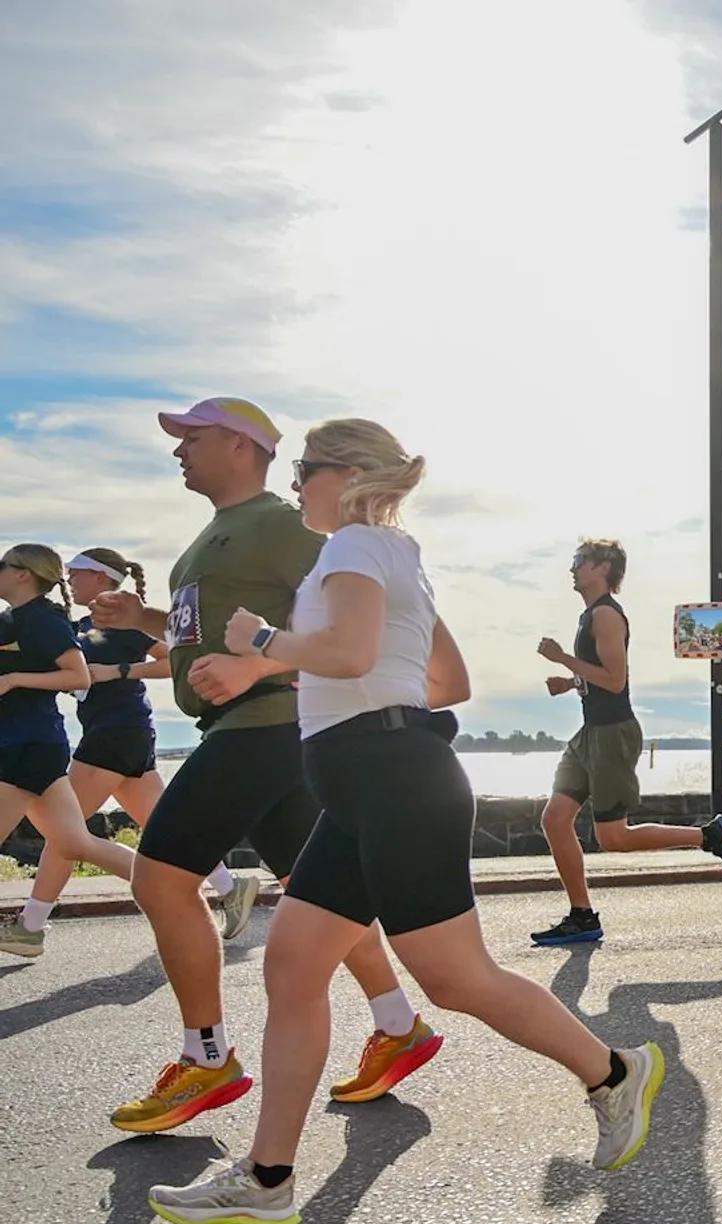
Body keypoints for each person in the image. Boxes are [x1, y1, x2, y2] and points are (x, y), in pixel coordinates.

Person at [148, 417, 664, 1224]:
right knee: (292, 964)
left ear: (347, 474)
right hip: (372, 780)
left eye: (306, 469)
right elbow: (448, 678)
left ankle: (613, 1069)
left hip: (390, 781)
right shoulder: (395, 557)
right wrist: (361, 695)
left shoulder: (354, 548)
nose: (295, 483)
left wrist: (261, 647)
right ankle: (267, 1179)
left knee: (454, 978)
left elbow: (350, 654)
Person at [88, 398, 438, 1131]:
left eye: (193, 436)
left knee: (160, 877)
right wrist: (146, 622)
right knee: (317, 894)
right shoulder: (214, 535)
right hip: (252, 728)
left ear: (244, 446)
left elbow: (347, 629)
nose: (179, 448)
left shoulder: (284, 524)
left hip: (266, 726)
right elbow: (216, 629)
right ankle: (398, 1023)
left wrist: (257, 672)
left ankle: (206, 1056)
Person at [6, 547, 251, 959]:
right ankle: (229, 886)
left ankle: (30, 927)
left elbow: (175, 659)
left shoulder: (125, 624)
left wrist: (120, 671)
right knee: (159, 826)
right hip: (120, 733)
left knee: (66, 838)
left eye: (77, 573)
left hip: (117, 732)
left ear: (101, 578)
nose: (69, 579)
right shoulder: (80, 626)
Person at [532, 539, 722, 945]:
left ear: (603, 567)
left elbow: (615, 680)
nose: (572, 568)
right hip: (591, 732)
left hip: (613, 733)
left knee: (614, 837)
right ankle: (582, 916)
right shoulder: (589, 615)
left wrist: (563, 659)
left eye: (579, 561)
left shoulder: (607, 616)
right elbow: (599, 676)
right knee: (555, 819)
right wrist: (572, 682)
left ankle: (708, 836)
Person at [0, 545, 145, 960]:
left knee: (75, 841)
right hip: (32, 745)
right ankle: (170, 888)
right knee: (76, 843)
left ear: (24, 574)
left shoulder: (43, 619)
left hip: (26, 746)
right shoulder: (11, 619)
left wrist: (13, 680)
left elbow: (77, 674)